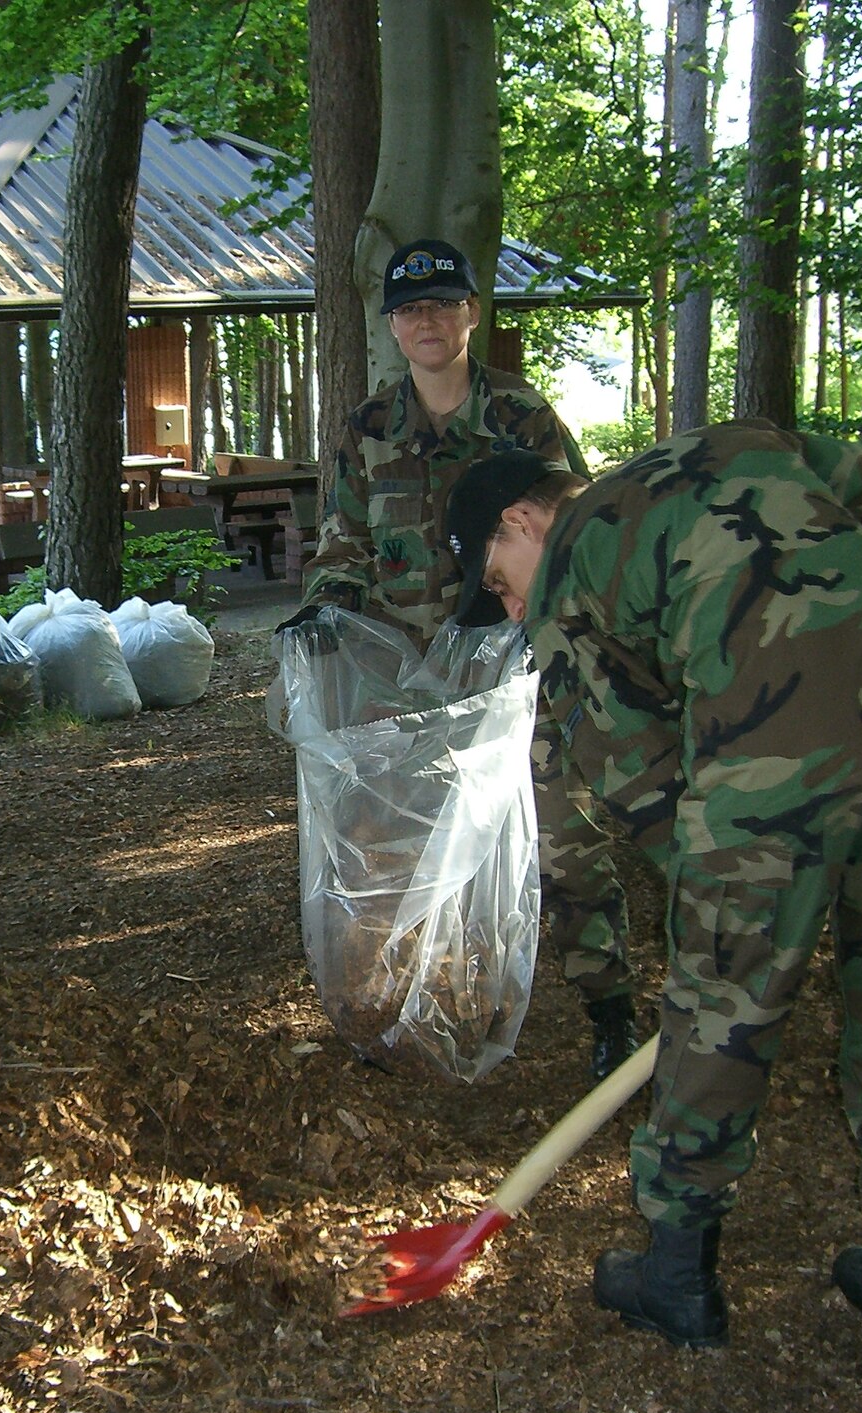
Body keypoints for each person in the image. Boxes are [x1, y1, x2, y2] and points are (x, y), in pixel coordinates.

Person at [442, 421, 862, 1369]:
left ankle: (677, 1277)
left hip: (769, 781)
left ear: (525, 516)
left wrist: (737, 905)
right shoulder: (741, 446)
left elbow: (638, 777)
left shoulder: (569, 586)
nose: (507, 610)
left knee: (718, 1021)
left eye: (496, 580)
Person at [278, 240, 643, 1075]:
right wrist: (327, 617)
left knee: (560, 833)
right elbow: (342, 541)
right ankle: (407, 1003)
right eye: (411, 310)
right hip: (402, 679)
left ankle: (609, 1006)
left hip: (515, 668)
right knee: (388, 845)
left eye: (444, 304)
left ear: (472, 313)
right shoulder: (369, 427)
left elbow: (569, 534)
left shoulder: (522, 417)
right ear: (394, 329)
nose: (428, 322)